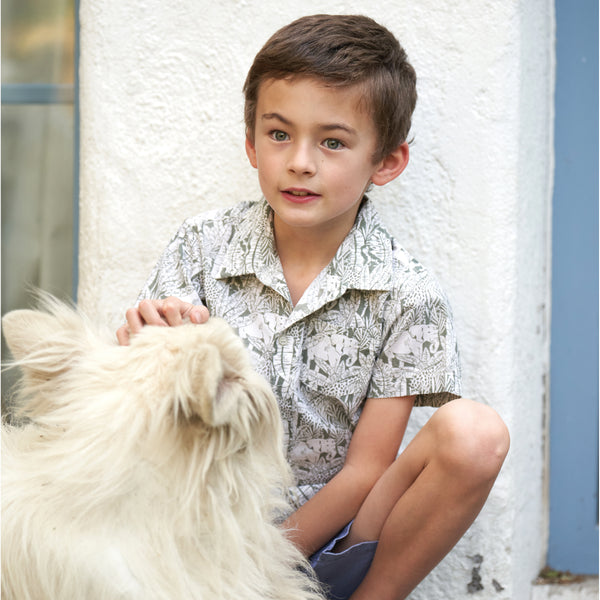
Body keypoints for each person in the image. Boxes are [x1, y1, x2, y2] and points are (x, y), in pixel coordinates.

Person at [117, 14, 509, 600]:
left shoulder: (407, 292)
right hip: (199, 535)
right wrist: (141, 352)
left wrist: (265, 564)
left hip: (330, 540)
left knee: (475, 433)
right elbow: (156, 422)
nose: (301, 162)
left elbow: (365, 471)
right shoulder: (200, 249)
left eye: (332, 141)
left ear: (386, 162)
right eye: (279, 134)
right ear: (251, 142)